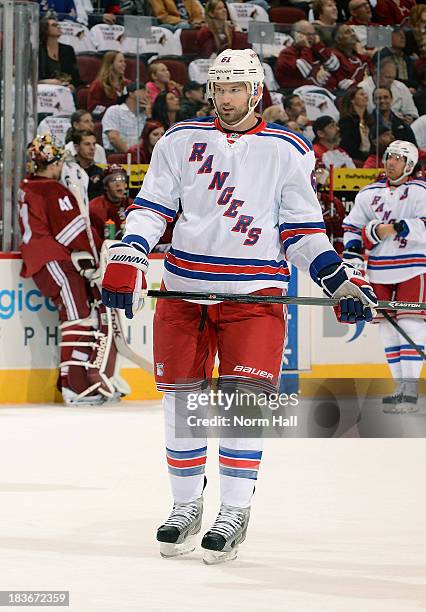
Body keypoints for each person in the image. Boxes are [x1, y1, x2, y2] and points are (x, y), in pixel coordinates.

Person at [100, 49, 377, 564]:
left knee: (240, 407)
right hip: (184, 292)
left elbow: (301, 231)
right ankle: (185, 505)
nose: (226, 98)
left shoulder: (288, 149)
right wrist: (127, 253)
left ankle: (233, 510)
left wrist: (336, 279)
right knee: (181, 404)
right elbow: (152, 207)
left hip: (253, 298)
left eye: (235, 89)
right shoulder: (181, 141)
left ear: (255, 93)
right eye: (219, 88)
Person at [17, 134, 124, 407]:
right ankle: (74, 386)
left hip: (43, 258)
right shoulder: (52, 190)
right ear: (51, 163)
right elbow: (75, 234)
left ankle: (75, 382)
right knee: (78, 318)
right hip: (54, 260)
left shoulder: (30, 186)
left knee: (79, 316)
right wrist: (97, 258)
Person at [342, 140, 425, 412]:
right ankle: (400, 387)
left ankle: (411, 391)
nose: (391, 162)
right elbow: (352, 228)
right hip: (378, 268)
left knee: (411, 326)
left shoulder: (420, 191)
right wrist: (356, 250)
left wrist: (397, 227)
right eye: (389, 157)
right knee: (388, 330)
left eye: (398, 159)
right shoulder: (368, 194)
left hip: (414, 267)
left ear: (410, 165)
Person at [275, 20, 339, 89]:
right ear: (297, 35)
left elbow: (334, 66)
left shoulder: (316, 48)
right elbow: (303, 71)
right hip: (299, 93)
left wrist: (319, 46)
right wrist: (305, 47)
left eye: (313, 34)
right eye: (308, 34)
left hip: (329, 91)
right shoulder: (287, 54)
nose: (312, 37)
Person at [359, 57, 419, 121]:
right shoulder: (362, 88)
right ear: (375, 73)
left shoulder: (401, 86)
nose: (391, 81)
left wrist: (410, 118)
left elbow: (412, 112)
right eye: (388, 77)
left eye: (393, 77)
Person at [102, 82, 151, 152]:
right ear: (131, 93)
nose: (148, 95)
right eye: (144, 91)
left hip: (140, 156)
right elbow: (113, 137)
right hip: (119, 155)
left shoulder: (144, 115)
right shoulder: (115, 110)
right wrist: (130, 155)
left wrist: (149, 116)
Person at [38, 14, 82, 91]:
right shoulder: (38, 50)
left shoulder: (68, 49)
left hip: (65, 87)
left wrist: (73, 85)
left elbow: (75, 76)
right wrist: (44, 82)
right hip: (45, 88)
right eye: (54, 25)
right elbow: (32, 77)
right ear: (45, 29)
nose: (58, 27)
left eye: (58, 25)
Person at [89, 165, 132, 241]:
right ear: (106, 186)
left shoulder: (132, 205)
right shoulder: (94, 208)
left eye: (122, 179)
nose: (118, 184)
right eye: (113, 180)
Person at [87, 51, 131, 118]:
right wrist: (113, 113)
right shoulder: (98, 84)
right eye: (120, 61)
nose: (124, 64)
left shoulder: (128, 83)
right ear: (110, 64)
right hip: (106, 120)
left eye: (124, 61)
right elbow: (93, 108)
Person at [329, 24, 370, 91]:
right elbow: (342, 82)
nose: (353, 34)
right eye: (347, 32)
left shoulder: (361, 58)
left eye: (353, 31)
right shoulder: (334, 57)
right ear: (338, 39)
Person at [338, 86, 373, 162]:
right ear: (352, 100)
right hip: (354, 159)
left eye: (365, 94)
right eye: (361, 94)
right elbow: (347, 146)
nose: (366, 96)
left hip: (369, 158)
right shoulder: (346, 121)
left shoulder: (369, 120)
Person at [72, 130, 104, 200]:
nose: (92, 148)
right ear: (76, 147)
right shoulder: (68, 170)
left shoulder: (99, 171)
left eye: (94, 144)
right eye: (87, 144)